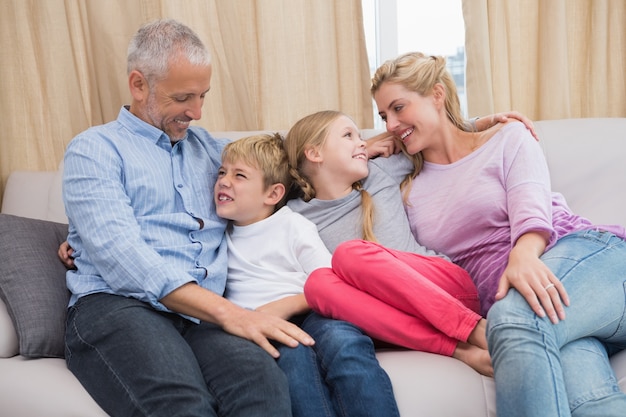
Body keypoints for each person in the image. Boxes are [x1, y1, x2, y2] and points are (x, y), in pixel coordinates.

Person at [61, 18, 314, 417]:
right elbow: (123, 257)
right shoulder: (94, 150)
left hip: (200, 316)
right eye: (183, 98)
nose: (195, 111)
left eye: (202, 96)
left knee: (264, 389)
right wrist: (231, 314)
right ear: (139, 84)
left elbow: (281, 176)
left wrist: (358, 150)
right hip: (119, 307)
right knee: (183, 405)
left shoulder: (213, 152)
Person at [370, 51, 626, 416]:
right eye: (383, 116)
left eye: (399, 107)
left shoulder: (507, 137)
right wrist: (364, 147)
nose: (392, 123)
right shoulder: (406, 186)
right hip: (551, 314)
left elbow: (532, 209)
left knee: (515, 321)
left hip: (590, 263)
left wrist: (521, 257)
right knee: (591, 403)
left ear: (437, 95)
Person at [284, 110, 493, 376]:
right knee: (318, 285)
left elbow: (435, 137)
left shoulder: (377, 172)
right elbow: (262, 179)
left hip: (446, 288)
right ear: (314, 154)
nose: (361, 142)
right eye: (348, 136)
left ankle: (476, 330)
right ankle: (459, 350)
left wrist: (478, 123)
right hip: (393, 318)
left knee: (350, 254)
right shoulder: (293, 214)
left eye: (361, 137)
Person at [214, 132, 400, 417]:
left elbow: (328, 283)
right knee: (295, 362)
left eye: (239, 175)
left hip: (310, 310)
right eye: (222, 172)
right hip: (259, 325)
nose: (224, 181)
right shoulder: (216, 234)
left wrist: (286, 305)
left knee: (345, 344)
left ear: (273, 194)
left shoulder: (292, 225)